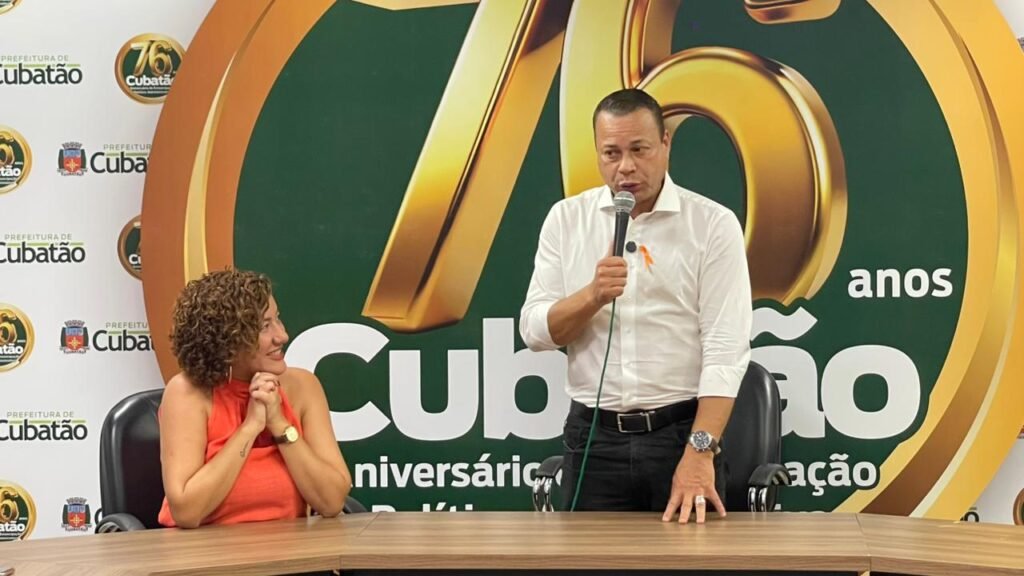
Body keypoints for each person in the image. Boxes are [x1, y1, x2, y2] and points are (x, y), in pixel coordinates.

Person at [519, 88, 751, 523]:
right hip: (593, 438)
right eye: (611, 153)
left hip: (681, 434)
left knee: (692, 559)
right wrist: (591, 296)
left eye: (639, 150)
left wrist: (700, 452)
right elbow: (535, 332)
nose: (625, 167)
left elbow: (725, 350)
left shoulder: (712, 225)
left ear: (665, 143)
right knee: (590, 561)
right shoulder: (567, 220)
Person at [158, 268, 352, 528]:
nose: (282, 336)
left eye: (278, 319)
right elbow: (187, 511)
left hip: (292, 550)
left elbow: (332, 501)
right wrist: (250, 428)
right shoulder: (186, 393)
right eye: (264, 326)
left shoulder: (303, 387)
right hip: (205, 551)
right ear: (227, 340)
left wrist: (279, 424)